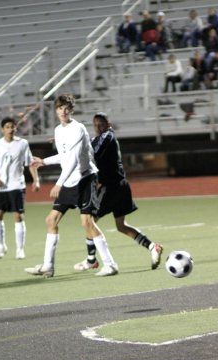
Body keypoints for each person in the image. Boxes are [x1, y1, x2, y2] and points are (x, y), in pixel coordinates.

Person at [25, 94, 118, 278]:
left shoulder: (78, 128)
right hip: (69, 181)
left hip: (85, 179)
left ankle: (110, 265)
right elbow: (65, 156)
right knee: (51, 220)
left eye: (67, 108)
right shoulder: (59, 130)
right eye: (60, 108)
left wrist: (58, 184)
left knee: (87, 223)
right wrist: (44, 161)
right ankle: (48, 266)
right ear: (56, 110)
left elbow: (74, 160)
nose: (63, 111)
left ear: (72, 110)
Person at [73, 112, 163, 272]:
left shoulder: (108, 136)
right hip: (121, 186)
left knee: (89, 220)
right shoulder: (98, 138)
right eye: (95, 124)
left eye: (101, 124)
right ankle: (152, 247)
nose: (98, 127)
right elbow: (85, 146)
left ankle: (91, 260)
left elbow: (91, 152)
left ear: (108, 123)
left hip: (111, 186)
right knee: (121, 226)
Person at [0, 117, 40, 260]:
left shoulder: (22, 143)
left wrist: (36, 180)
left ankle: (20, 249)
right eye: (7, 127)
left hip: (17, 185)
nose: (10, 129)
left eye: (12, 127)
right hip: (1, 187)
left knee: (18, 216)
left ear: (16, 128)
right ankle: (1, 246)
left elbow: (30, 163)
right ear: (2, 129)